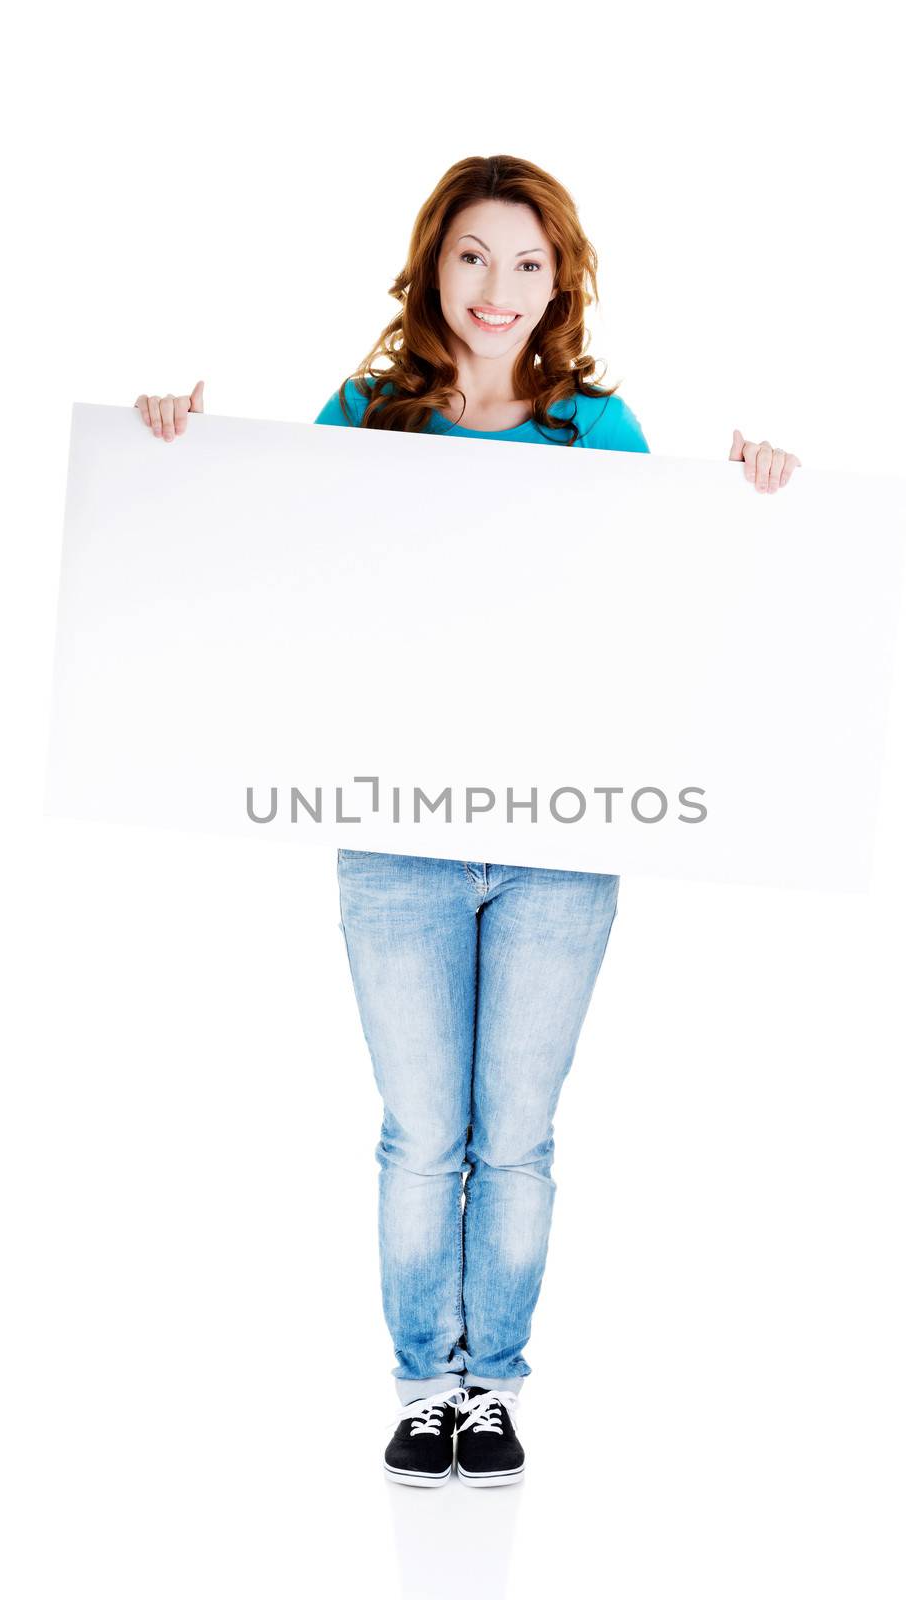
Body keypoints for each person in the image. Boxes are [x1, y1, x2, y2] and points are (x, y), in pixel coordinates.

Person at [134, 152, 800, 1490]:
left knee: (519, 1134)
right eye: (474, 257)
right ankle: (420, 1384)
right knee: (419, 1130)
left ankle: (490, 1389)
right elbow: (262, 549)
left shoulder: (594, 433)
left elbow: (665, 602)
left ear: (560, 284)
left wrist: (751, 496)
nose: (497, 289)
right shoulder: (370, 412)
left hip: (559, 838)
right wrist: (176, 447)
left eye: (528, 264)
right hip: (397, 835)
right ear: (434, 263)